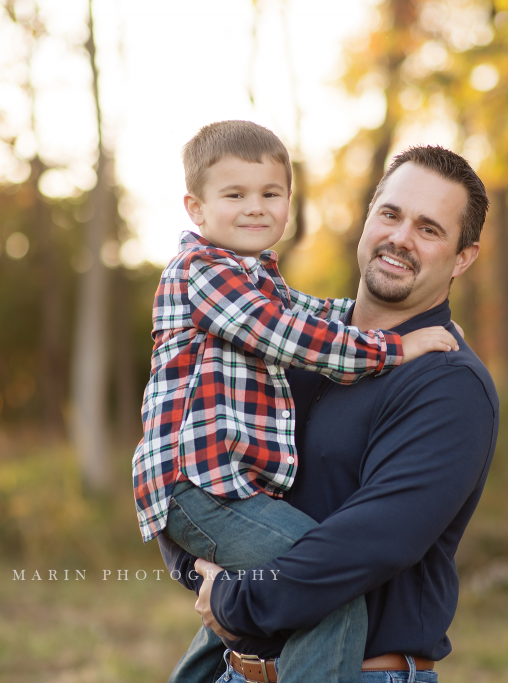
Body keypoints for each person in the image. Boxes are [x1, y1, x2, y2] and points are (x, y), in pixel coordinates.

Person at [132, 121, 461, 683]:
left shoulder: (259, 279)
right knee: (325, 593)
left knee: (277, 589)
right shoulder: (203, 273)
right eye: (234, 195)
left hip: (218, 488)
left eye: (271, 194)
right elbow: (289, 335)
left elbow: (314, 315)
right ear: (196, 208)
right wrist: (392, 347)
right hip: (203, 487)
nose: (255, 208)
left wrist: (375, 329)